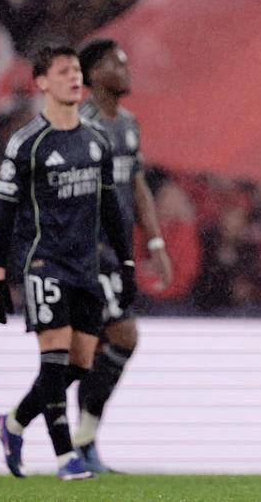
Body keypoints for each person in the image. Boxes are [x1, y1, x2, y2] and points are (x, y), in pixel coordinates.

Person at [0, 45, 136, 480]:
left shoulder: (96, 141)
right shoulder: (27, 143)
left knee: (78, 364)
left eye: (76, 71)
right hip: (44, 264)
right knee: (53, 359)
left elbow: (112, 210)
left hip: (87, 267)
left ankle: (13, 423)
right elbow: (3, 213)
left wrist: (127, 264)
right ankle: (66, 457)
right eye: (63, 71)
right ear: (42, 82)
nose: (74, 78)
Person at [72, 38, 173, 472]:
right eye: (117, 62)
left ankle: (79, 446)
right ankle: (73, 438)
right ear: (95, 74)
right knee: (122, 337)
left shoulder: (128, 125)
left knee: (90, 351)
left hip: (115, 251)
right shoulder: (79, 124)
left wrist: (155, 243)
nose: (126, 68)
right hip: (84, 251)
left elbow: (137, 187)